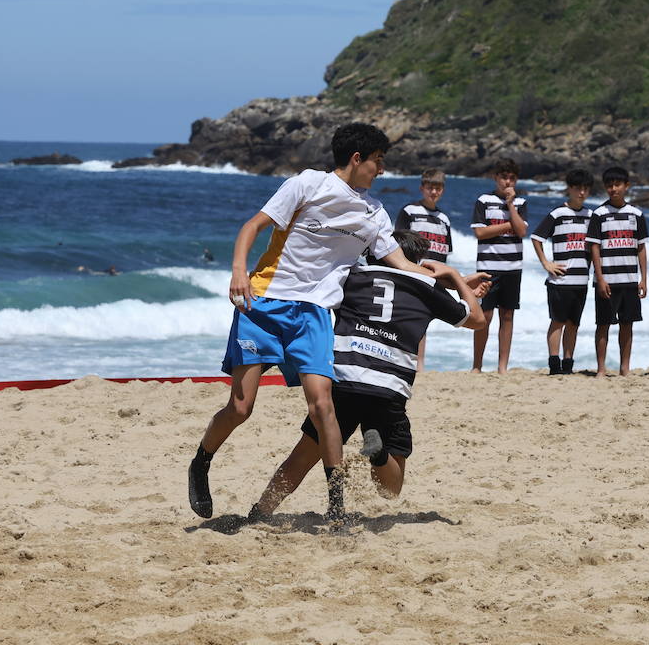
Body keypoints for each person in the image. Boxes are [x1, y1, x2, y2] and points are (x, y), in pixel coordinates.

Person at [188, 123, 430, 524]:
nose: (380, 171)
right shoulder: (307, 185)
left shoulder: (373, 213)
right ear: (357, 159)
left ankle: (336, 507)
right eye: (378, 162)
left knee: (323, 407)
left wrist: (447, 278)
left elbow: (401, 264)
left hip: (315, 314)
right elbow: (252, 226)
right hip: (264, 302)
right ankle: (201, 462)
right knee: (241, 407)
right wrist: (238, 271)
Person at [248, 231, 487, 519]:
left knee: (302, 457)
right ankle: (379, 454)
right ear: (415, 262)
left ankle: (260, 511)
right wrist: (455, 277)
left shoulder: (351, 275)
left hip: (344, 378)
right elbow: (477, 320)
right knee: (390, 488)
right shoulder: (427, 287)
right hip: (389, 387)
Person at [586, 166, 648, 377]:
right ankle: (601, 369)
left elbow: (640, 247)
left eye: (618, 184)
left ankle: (625, 368)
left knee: (627, 325)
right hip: (607, 281)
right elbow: (594, 247)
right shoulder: (599, 214)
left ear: (626, 186)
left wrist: (644, 279)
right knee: (603, 325)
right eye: (610, 185)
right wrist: (600, 278)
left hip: (630, 279)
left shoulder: (637, 214)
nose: (614, 189)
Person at [531, 169, 594, 375]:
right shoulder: (558, 214)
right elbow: (536, 237)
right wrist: (546, 263)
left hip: (581, 280)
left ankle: (568, 364)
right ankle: (554, 364)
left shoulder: (591, 216)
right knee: (557, 322)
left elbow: (595, 247)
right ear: (570, 189)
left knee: (573, 324)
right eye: (577, 189)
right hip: (559, 280)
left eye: (585, 189)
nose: (582, 193)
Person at [471, 158, 528, 374]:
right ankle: (477, 365)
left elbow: (522, 231)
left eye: (512, 178)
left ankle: (502, 366)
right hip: (488, 267)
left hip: (513, 268)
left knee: (507, 316)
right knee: (484, 316)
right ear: (496, 178)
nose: (508, 182)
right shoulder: (483, 200)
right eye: (504, 177)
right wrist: (508, 225)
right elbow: (480, 232)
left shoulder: (521, 203)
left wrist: (511, 205)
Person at [394, 168, 453, 370]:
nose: (433, 192)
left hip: (433, 275)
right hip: (412, 272)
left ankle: (419, 363)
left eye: (437, 188)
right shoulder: (409, 211)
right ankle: (407, 360)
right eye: (430, 188)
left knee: (424, 317)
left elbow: (445, 249)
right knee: (410, 316)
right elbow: (398, 242)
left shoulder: (444, 218)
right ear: (422, 188)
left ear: (443, 190)